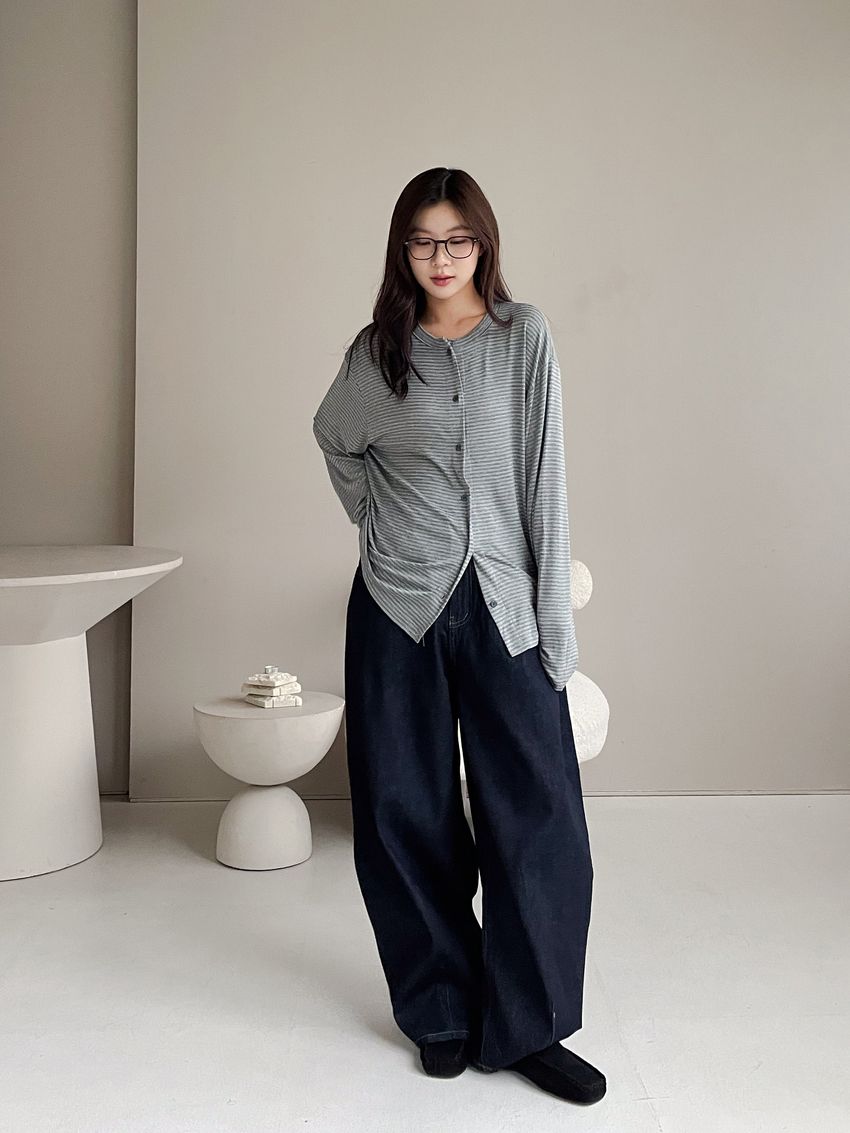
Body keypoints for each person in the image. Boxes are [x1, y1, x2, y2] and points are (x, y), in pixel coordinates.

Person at [312, 167, 605, 1105]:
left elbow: (546, 483)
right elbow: (334, 437)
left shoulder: (523, 337)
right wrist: (376, 520)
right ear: (402, 250)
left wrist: (554, 627)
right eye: (422, 242)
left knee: (541, 817)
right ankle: (439, 1006)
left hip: (504, 602)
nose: (441, 259)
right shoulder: (377, 354)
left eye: (457, 240)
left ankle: (528, 1024)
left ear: (483, 242)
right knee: (404, 809)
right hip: (396, 605)